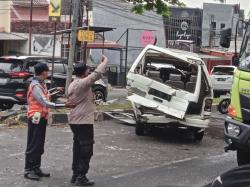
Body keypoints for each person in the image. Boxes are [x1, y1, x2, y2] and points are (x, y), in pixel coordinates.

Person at [24, 63, 74, 181]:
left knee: (39, 144)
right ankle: (28, 170)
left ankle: (36, 167)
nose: (48, 73)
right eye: (47, 71)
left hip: (42, 117)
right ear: (43, 72)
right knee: (33, 144)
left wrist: (55, 90)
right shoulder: (35, 86)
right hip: (35, 118)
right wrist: (64, 105)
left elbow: (45, 96)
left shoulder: (41, 83)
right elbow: (44, 102)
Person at [67, 55, 108, 186]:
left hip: (75, 120)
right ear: (84, 72)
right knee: (86, 149)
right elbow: (96, 75)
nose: (88, 72)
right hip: (83, 121)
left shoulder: (74, 83)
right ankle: (81, 176)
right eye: (87, 70)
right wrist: (104, 63)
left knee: (78, 148)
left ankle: (75, 174)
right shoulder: (81, 83)